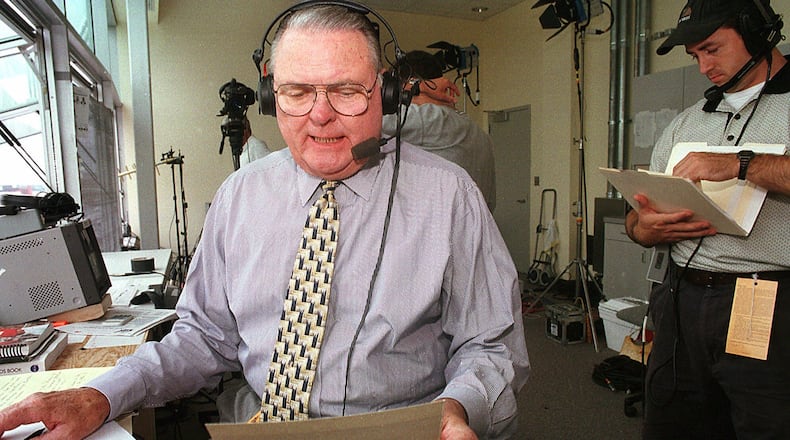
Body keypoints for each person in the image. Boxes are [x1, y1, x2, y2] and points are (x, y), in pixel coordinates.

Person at [0, 3, 529, 440]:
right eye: (297, 92)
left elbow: (491, 343)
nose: (319, 114)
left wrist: (458, 409)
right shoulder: (238, 196)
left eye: (346, 90)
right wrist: (101, 394)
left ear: (386, 93)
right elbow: (203, 338)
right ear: (273, 98)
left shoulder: (449, 195)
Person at [624, 0, 789, 438]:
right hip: (681, 296)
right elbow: (636, 218)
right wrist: (643, 228)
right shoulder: (685, 124)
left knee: (766, 422)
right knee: (673, 422)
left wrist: (740, 163)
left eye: (712, 49)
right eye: (695, 55)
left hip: (765, 298)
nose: (703, 68)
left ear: (756, 32)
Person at [382, 50, 497, 212]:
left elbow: (360, 123)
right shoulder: (481, 136)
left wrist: (384, 85)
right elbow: (491, 202)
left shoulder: (429, 119)